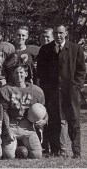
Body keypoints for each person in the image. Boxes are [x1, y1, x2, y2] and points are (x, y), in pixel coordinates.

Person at [37, 24, 86, 159]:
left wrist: (76, 86)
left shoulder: (76, 49)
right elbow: (40, 70)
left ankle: (76, 152)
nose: (58, 36)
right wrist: (47, 87)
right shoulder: (46, 50)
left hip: (71, 92)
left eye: (61, 33)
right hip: (53, 93)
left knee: (74, 121)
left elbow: (81, 71)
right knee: (54, 121)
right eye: (56, 33)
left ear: (66, 33)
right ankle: (57, 150)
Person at [0, 63, 46, 159]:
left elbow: (43, 110)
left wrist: (44, 121)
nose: (18, 75)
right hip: (12, 125)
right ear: (12, 74)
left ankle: (22, 146)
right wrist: (7, 130)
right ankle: (19, 148)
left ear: (26, 74)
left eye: (21, 72)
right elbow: (4, 112)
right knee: (9, 156)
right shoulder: (6, 89)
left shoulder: (36, 90)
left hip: (27, 126)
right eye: (16, 73)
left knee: (37, 155)